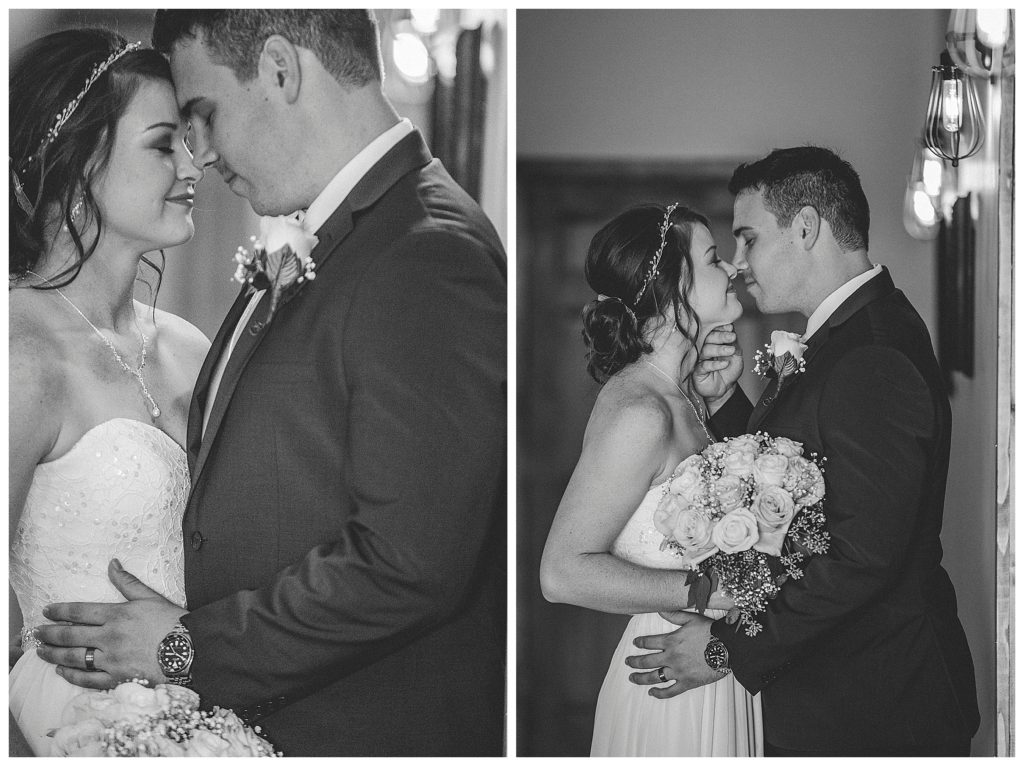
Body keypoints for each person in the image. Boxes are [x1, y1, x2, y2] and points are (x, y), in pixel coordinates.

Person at [34, 10, 507, 757]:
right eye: (174, 136)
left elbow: (408, 562)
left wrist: (187, 650)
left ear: (282, 70)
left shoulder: (425, 255)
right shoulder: (340, 237)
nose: (203, 155)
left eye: (204, 116)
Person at [625, 147, 980, 756]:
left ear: (808, 227)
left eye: (747, 238)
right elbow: (799, 471)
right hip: (846, 689)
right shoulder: (847, 336)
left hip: (878, 701)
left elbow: (860, 554)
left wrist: (725, 649)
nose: (738, 264)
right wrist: (729, 400)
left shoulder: (872, 354)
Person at [9, 28, 209, 755]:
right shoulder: (19, 351)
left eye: (190, 141)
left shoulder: (191, 350)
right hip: (67, 722)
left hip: (210, 701)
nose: (194, 166)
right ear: (80, 160)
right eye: (164, 144)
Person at [540, 203, 762, 756]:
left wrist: (722, 395)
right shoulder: (641, 409)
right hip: (671, 685)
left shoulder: (682, 396)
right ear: (672, 289)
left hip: (710, 670)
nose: (731, 268)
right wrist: (705, 591)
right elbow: (561, 573)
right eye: (713, 259)